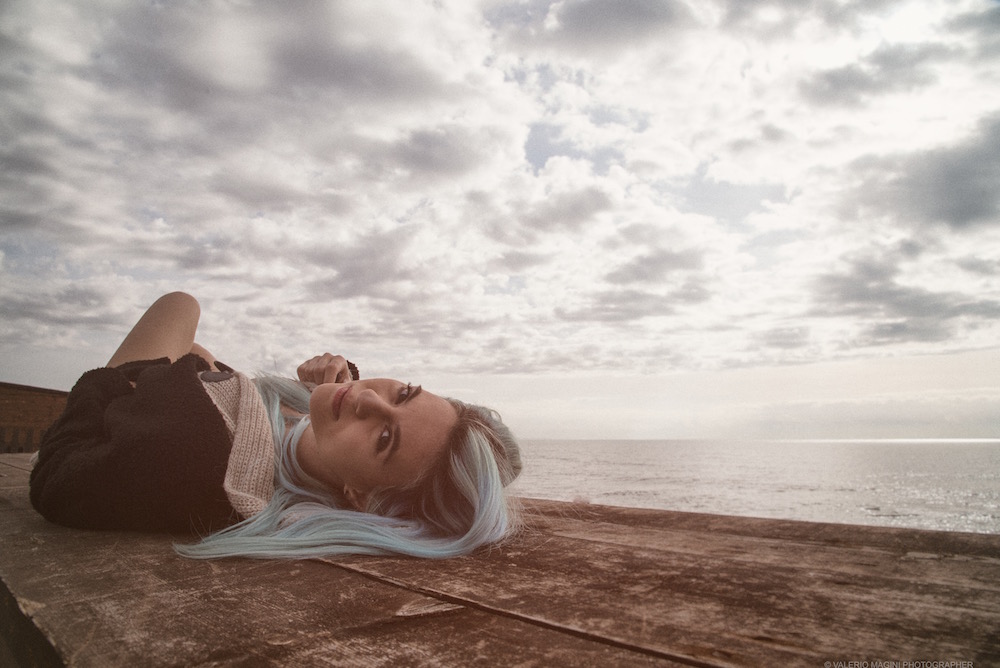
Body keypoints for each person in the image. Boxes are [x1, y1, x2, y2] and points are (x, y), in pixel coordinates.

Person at [30, 292, 522, 559]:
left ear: (359, 498)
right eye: (404, 392)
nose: (369, 397)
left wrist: (157, 378)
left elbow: (56, 475)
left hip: (119, 406)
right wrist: (329, 388)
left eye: (385, 437)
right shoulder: (300, 454)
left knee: (181, 305)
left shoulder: (198, 449)